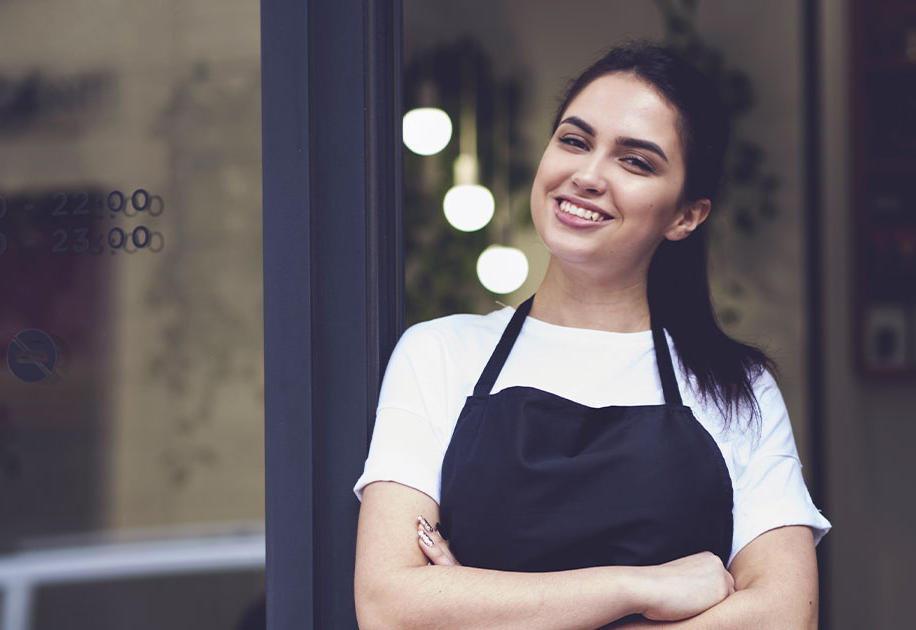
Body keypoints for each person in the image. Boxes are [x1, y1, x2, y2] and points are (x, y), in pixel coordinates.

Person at [353, 42, 831, 629]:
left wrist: (475, 609)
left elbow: (784, 618)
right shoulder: (440, 355)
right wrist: (643, 589)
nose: (587, 175)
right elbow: (388, 607)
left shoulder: (737, 391)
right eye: (575, 141)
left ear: (686, 215)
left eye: (636, 161)